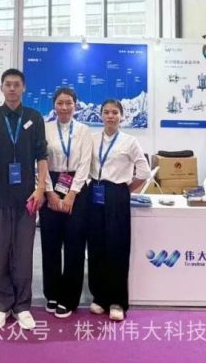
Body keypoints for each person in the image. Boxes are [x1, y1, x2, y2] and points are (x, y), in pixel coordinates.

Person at [0, 68, 48, 330]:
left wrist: (40, 189)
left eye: (17, 84)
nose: (12, 89)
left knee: (23, 253)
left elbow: (42, 156)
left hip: (27, 197)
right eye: (8, 84)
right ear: (1, 88)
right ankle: (0, 305)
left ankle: (22, 306)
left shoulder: (34, 118)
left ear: (24, 88)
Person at [87, 98, 148, 322]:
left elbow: (144, 172)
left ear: (121, 116)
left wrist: (123, 190)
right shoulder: (92, 139)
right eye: (106, 112)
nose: (110, 116)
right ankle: (99, 297)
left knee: (117, 248)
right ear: (100, 115)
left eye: (115, 112)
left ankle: (117, 301)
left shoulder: (130, 142)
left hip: (116, 195)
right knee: (96, 247)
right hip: (95, 193)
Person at [41, 87, 92, 319]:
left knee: (74, 245)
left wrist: (72, 194)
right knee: (50, 244)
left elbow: (85, 163)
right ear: (54, 105)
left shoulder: (84, 130)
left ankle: (69, 298)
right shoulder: (45, 128)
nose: (64, 107)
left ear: (75, 105)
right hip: (50, 183)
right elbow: (40, 161)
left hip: (76, 188)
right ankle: (52, 293)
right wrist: (49, 192)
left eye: (68, 103)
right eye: (60, 103)